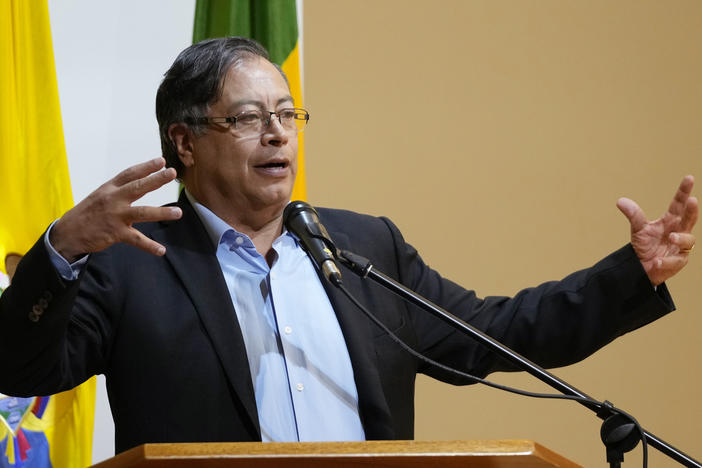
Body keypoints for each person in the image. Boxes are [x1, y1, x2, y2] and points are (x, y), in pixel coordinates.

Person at [0, 37, 697, 454]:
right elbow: (21, 368)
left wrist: (631, 273)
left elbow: (498, 332)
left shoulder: (363, 246)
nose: (277, 135)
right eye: (247, 118)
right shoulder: (132, 263)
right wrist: (61, 248)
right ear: (184, 142)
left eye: (286, 115)